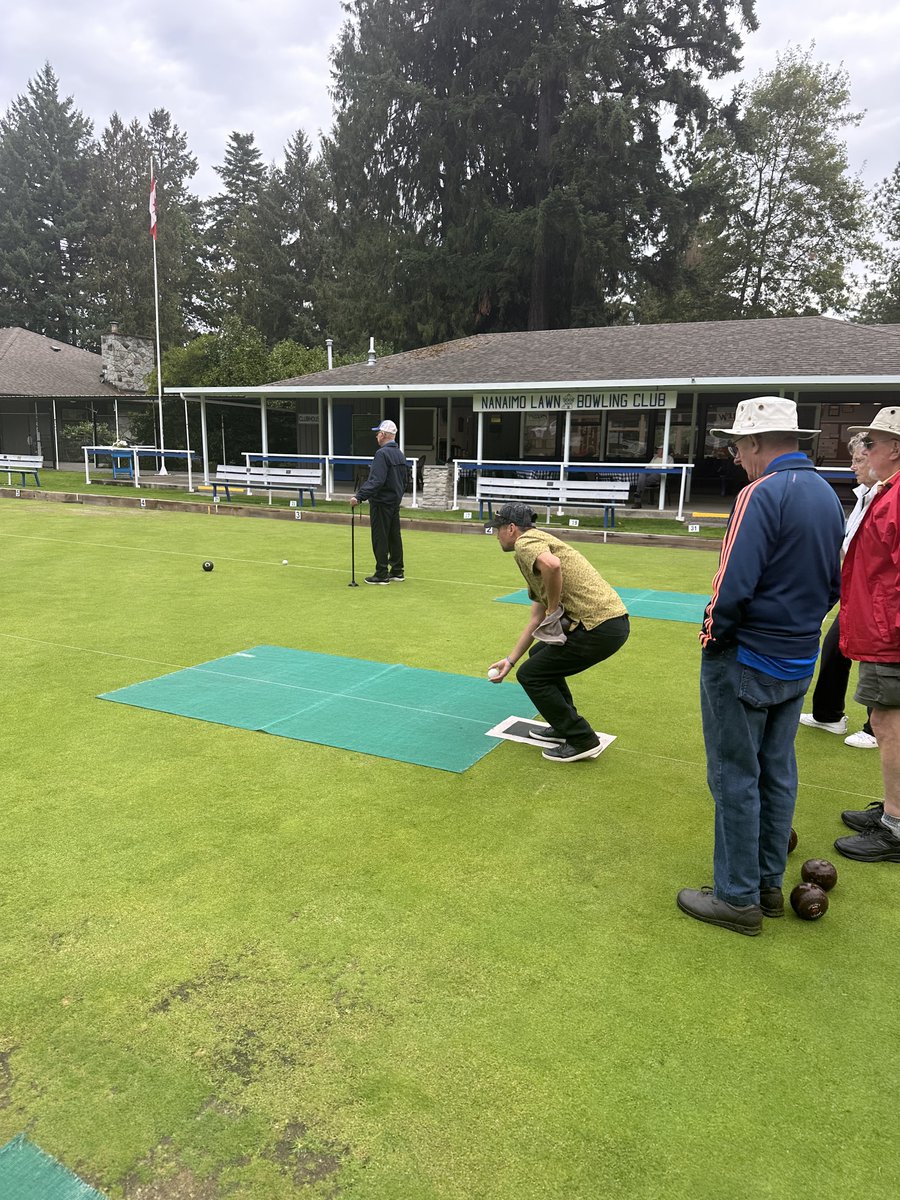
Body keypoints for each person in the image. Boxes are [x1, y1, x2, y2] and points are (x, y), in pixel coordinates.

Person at [677, 397, 844, 935]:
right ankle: (768, 885)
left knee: (734, 776)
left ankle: (738, 898)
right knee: (777, 770)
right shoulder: (828, 495)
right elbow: (835, 583)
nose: (735, 456)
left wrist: (711, 634)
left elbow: (732, 585)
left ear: (754, 444)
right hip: (799, 655)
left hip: (746, 654)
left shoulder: (760, 492)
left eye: (737, 446)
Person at [487, 501, 629, 763]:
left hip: (599, 626)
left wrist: (553, 608)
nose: (496, 535)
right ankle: (564, 725)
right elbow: (536, 617)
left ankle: (581, 738)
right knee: (540, 654)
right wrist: (510, 660)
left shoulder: (526, 543)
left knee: (531, 675)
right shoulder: (539, 542)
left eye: (498, 529)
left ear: (511, 528)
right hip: (610, 623)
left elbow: (552, 566)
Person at [833, 406, 900, 864]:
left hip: (890, 632)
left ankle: (896, 825)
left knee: (888, 724)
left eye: (871, 443)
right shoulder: (886, 491)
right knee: (884, 719)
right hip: (881, 627)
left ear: (895, 448)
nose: (863, 450)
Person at [798, 435, 878, 748]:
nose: (852, 466)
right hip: (857, 592)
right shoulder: (864, 496)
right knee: (834, 648)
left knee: (879, 660)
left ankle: (875, 728)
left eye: (859, 459)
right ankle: (829, 715)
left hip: (878, 595)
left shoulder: (886, 497)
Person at [350, 420, 407, 585]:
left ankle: (381, 573)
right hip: (394, 501)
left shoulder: (382, 454)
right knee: (394, 536)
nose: (376, 435)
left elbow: (376, 480)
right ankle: (397, 571)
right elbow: (405, 481)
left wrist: (359, 496)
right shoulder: (399, 454)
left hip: (382, 502)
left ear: (383, 435)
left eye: (378, 433)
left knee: (380, 537)